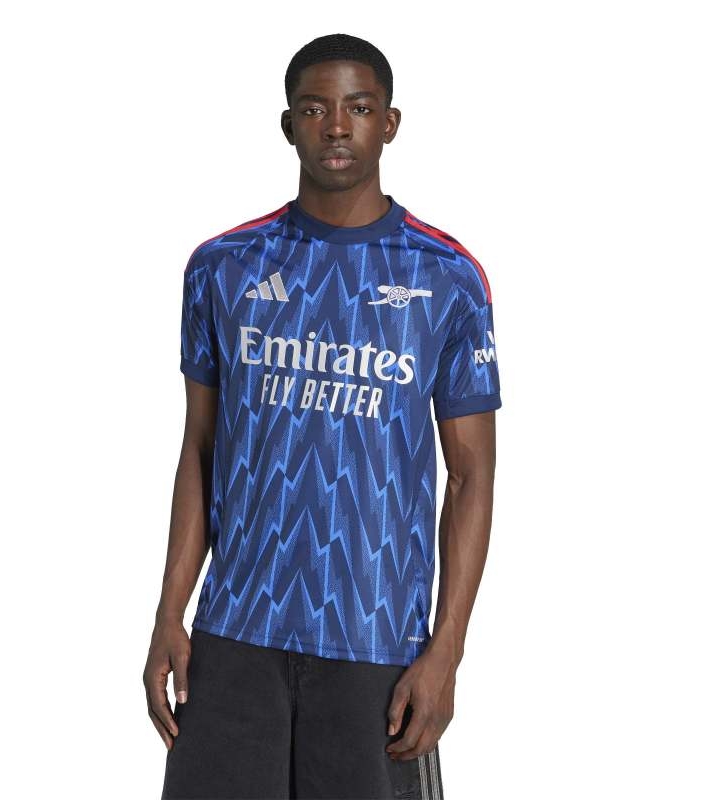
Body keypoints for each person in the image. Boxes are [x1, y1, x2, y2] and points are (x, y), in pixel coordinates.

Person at [144, 32, 502, 800]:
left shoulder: (447, 278)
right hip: (235, 633)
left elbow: (470, 477)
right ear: (288, 125)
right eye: (315, 109)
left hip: (376, 640)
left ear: (390, 123)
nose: (337, 126)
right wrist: (170, 612)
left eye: (358, 108)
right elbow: (200, 450)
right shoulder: (224, 268)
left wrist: (446, 652)